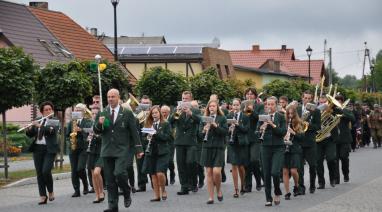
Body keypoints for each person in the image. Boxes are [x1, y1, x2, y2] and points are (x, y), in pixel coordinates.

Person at [93, 89, 143, 212]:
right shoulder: (102, 113)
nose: (110, 99)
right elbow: (96, 131)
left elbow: (134, 132)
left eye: (113, 96)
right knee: (110, 180)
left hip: (122, 149)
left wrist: (138, 149)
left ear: (118, 98)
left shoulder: (126, 113)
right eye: (108, 97)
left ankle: (126, 192)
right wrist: (99, 124)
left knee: (119, 173)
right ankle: (112, 205)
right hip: (107, 150)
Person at [26, 101, 59, 205]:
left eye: (50, 109)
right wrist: (29, 128)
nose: (48, 111)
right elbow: (31, 134)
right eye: (46, 110)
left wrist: (39, 125)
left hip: (49, 149)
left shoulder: (54, 120)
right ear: (42, 112)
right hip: (38, 149)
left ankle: (50, 191)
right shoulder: (37, 120)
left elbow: (51, 131)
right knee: (39, 173)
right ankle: (42, 196)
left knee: (46, 171)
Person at [169, 91, 201, 195]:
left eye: (186, 99)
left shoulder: (195, 110)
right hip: (179, 141)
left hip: (191, 141)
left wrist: (190, 113)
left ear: (190, 100)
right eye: (183, 98)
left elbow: (200, 121)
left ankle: (193, 183)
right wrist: (177, 112)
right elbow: (170, 121)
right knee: (181, 164)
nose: (184, 101)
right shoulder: (177, 110)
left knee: (191, 162)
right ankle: (184, 186)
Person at [257, 96, 286, 206]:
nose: (269, 106)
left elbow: (282, 132)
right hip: (265, 147)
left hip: (278, 147)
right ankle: (268, 198)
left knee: (275, 172)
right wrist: (261, 128)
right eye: (267, 104)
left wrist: (272, 124)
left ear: (276, 105)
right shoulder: (262, 117)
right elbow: (257, 132)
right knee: (266, 173)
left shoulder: (281, 117)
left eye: (272, 104)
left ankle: (277, 191)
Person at [199, 99, 228, 204]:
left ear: (217, 108)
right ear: (208, 108)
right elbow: (199, 135)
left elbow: (225, 132)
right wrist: (204, 130)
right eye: (210, 106)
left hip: (218, 147)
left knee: (216, 172)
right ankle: (211, 197)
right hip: (207, 148)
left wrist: (215, 126)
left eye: (214, 106)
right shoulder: (203, 119)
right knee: (209, 173)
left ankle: (219, 189)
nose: (211, 108)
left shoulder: (222, 118)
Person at [142, 106, 171, 201]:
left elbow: (167, 137)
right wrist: (147, 137)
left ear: (160, 113)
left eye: (156, 113)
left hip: (162, 152)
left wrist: (155, 133)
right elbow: (143, 137)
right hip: (151, 151)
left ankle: (163, 190)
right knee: (153, 174)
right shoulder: (148, 124)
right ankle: (157, 195)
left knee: (160, 173)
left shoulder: (166, 124)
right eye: (153, 113)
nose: (154, 115)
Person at [297, 91, 321, 194]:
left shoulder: (315, 111)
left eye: (309, 98)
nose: (306, 100)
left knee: (312, 165)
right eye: (305, 98)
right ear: (302, 98)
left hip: (310, 142)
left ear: (311, 99)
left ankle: (312, 185)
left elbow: (318, 127)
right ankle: (301, 187)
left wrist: (308, 124)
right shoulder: (297, 109)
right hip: (299, 141)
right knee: (299, 167)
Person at [66, 103, 92, 197]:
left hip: (83, 148)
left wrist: (81, 130)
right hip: (73, 148)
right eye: (76, 110)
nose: (77, 111)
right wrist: (70, 141)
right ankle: (76, 190)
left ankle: (85, 184)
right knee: (74, 170)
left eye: (79, 110)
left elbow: (90, 131)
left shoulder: (88, 121)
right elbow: (66, 135)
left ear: (84, 111)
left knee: (80, 168)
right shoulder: (71, 122)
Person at [226, 98, 249, 198]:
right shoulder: (229, 116)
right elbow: (224, 130)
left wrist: (237, 125)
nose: (235, 107)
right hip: (232, 144)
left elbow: (246, 130)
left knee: (241, 167)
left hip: (241, 143)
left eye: (237, 105)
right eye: (233, 105)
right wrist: (229, 129)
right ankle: (236, 189)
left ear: (240, 106)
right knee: (234, 166)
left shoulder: (245, 116)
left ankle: (243, 184)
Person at [244, 88, 264, 192]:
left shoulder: (260, 106)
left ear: (255, 96)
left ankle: (258, 179)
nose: (249, 96)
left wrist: (252, 110)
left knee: (254, 160)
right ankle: (248, 185)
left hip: (255, 136)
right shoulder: (243, 105)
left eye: (251, 94)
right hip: (245, 136)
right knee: (246, 162)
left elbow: (260, 118)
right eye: (247, 94)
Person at [316, 95, 337, 189]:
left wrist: (330, 112)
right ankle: (321, 182)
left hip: (329, 139)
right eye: (321, 103)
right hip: (318, 140)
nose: (323, 105)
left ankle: (332, 178)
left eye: (325, 103)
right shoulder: (314, 112)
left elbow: (340, 113)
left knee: (331, 159)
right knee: (318, 161)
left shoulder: (333, 112)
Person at [283, 105, 304, 200]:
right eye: (288, 114)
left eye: (292, 113)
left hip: (295, 149)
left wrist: (293, 132)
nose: (290, 115)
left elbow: (302, 138)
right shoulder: (284, 122)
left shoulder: (299, 123)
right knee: (285, 171)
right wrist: (284, 135)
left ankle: (296, 185)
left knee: (293, 171)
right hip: (285, 149)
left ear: (295, 114)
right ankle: (287, 192)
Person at [334, 94, 355, 184]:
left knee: (344, 158)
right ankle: (336, 178)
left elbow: (352, 118)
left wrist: (342, 111)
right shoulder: (332, 110)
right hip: (334, 139)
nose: (338, 102)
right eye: (336, 100)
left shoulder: (346, 110)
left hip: (345, 139)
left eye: (339, 100)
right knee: (335, 160)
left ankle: (346, 174)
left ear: (342, 102)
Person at [87, 106, 105, 203]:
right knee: (92, 173)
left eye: (96, 114)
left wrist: (96, 135)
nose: (94, 115)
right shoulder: (90, 124)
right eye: (92, 113)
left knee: (97, 172)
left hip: (101, 150)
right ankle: (97, 194)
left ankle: (102, 191)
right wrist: (89, 137)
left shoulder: (103, 123)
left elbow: (105, 137)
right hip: (92, 150)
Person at [136, 95, 152, 192]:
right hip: (140, 142)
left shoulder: (154, 113)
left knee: (151, 162)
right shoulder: (137, 114)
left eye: (146, 103)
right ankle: (142, 184)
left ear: (150, 104)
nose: (145, 105)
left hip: (151, 141)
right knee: (139, 163)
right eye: (143, 103)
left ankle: (154, 183)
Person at [161, 105, 176, 185]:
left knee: (170, 160)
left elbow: (175, 118)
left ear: (168, 112)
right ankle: (165, 179)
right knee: (164, 161)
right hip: (163, 142)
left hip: (170, 142)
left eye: (165, 112)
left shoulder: (172, 118)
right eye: (162, 112)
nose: (163, 114)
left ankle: (172, 173)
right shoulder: (160, 119)